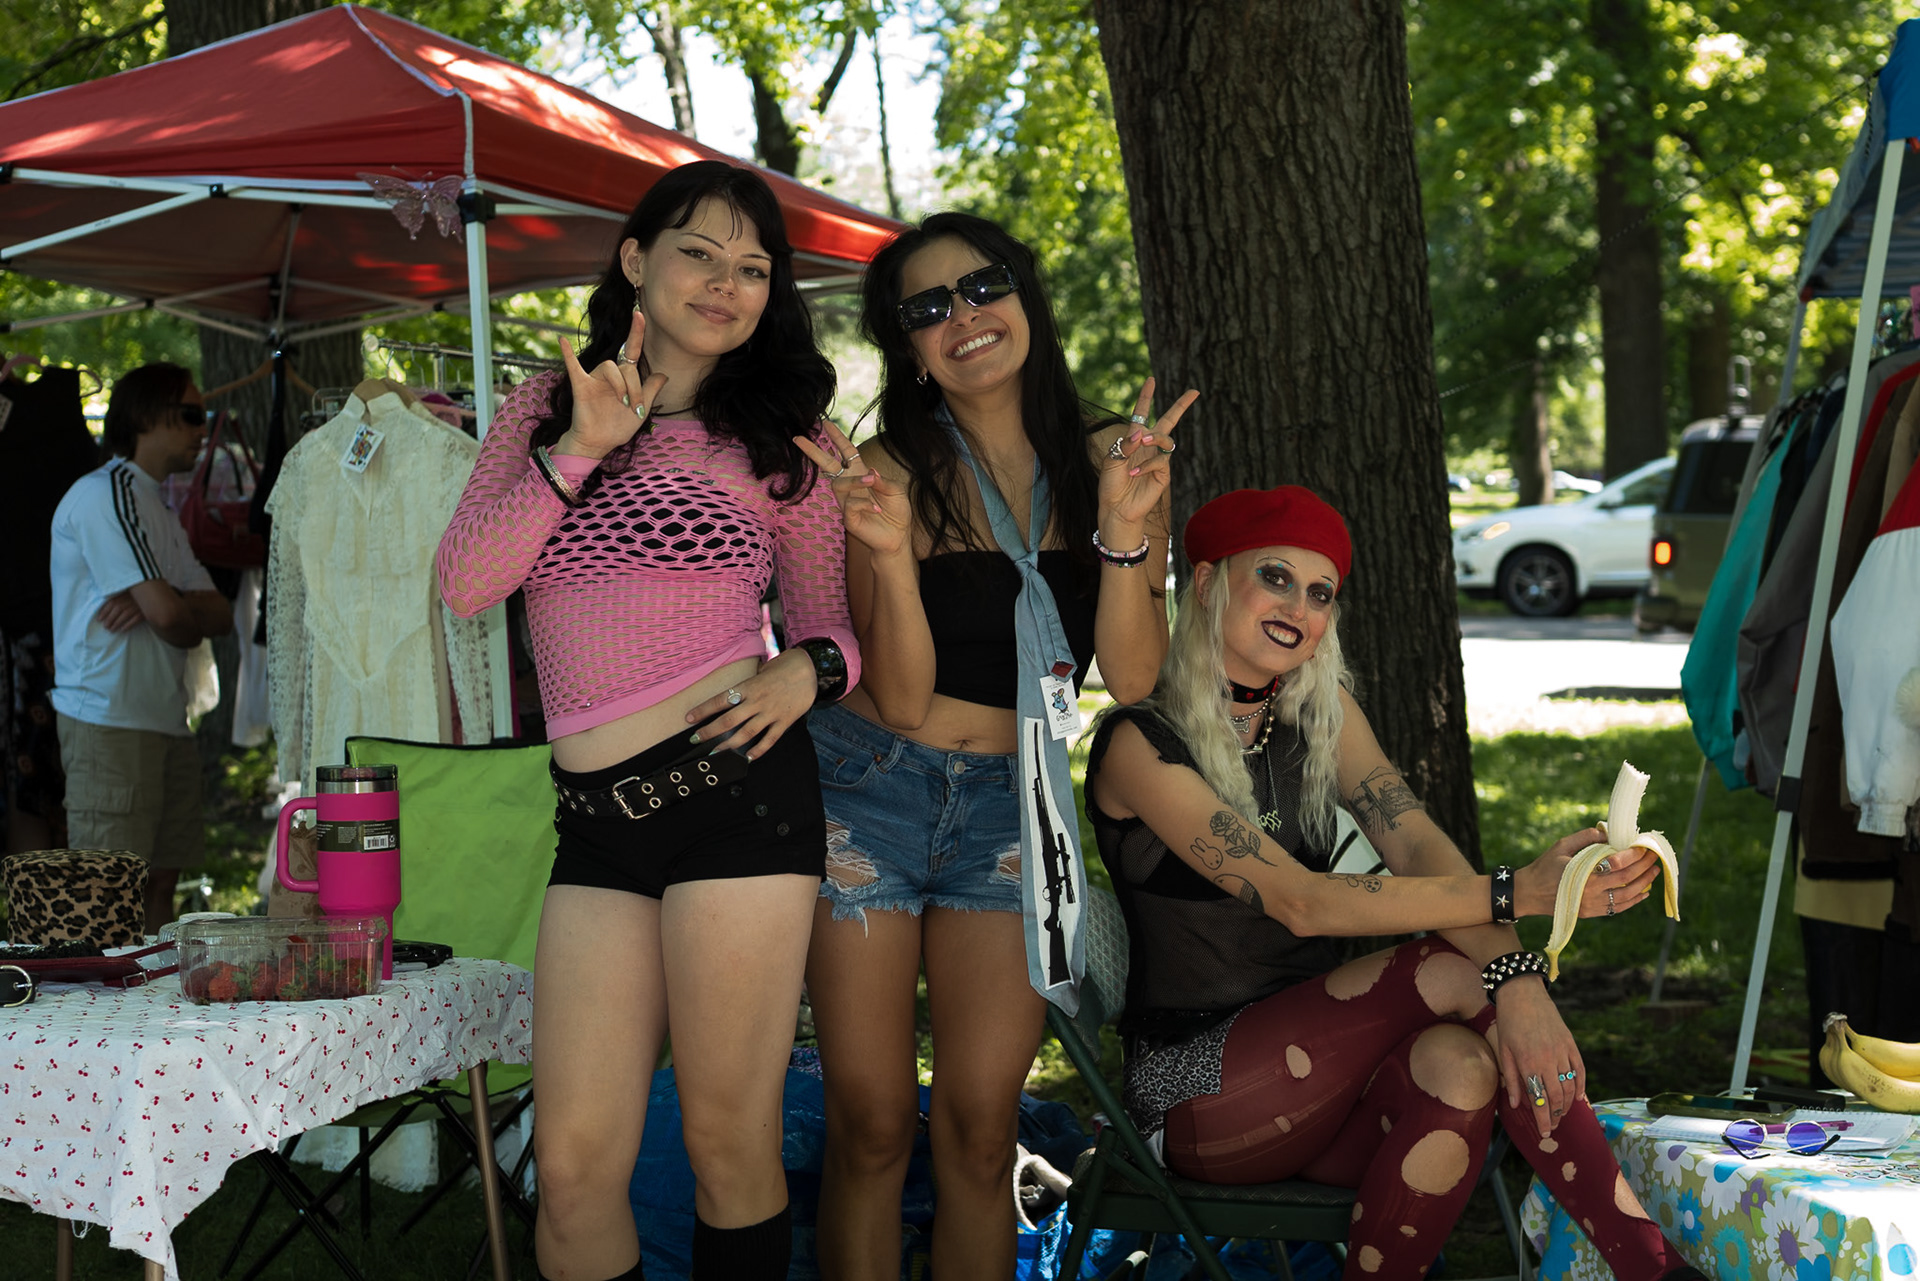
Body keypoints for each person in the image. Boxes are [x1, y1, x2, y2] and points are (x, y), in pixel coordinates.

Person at [1083, 484, 1703, 1281]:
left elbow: (1415, 847)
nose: (1297, 607)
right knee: (1440, 968)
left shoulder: (1317, 714)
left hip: (1325, 1095)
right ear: (1205, 582)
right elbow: (1300, 901)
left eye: (1320, 592)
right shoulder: (1142, 740)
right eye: (1274, 576)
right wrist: (1523, 897)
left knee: (1461, 1066)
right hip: (1192, 1097)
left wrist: (1521, 987)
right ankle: (1652, 1267)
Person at [437, 161, 859, 1281]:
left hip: (739, 802)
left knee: (727, 1144)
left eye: (754, 268)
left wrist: (806, 670)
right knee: (570, 1176)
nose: (727, 284)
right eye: (699, 253)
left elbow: (832, 627)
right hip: (597, 824)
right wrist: (580, 447)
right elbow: (468, 584)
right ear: (635, 259)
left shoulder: (784, 436)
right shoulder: (540, 405)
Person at [792, 211, 1194, 1279]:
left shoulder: (1118, 452)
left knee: (978, 1130)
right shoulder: (888, 471)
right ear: (907, 348)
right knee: (873, 1126)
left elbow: (1136, 677)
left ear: (1026, 295)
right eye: (927, 310)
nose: (964, 317)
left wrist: (1120, 531)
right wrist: (885, 554)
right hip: (869, 791)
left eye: (983, 287)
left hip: (1014, 812)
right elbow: (909, 693)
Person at [49, 362, 232, 932]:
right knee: (105, 900)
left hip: (162, 722)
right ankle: (98, 1023)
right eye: (191, 414)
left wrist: (164, 595)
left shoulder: (156, 506)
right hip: (109, 721)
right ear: (148, 416)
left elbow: (216, 614)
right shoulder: (109, 493)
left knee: (159, 886)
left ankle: (150, 1014)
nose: (203, 428)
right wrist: (167, 604)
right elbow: (176, 621)